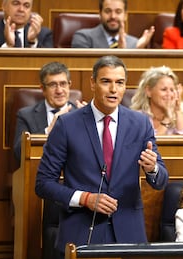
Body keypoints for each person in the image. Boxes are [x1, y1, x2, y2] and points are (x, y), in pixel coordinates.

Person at [35, 55, 169, 258]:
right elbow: (43, 183)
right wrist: (85, 198)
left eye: (120, 83)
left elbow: (161, 181)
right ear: (93, 83)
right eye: (106, 81)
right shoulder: (67, 125)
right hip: (81, 233)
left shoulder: (140, 124)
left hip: (128, 235)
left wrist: (153, 168)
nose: (114, 90)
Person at [13, 61, 86, 164]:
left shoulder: (81, 114)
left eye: (63, 84)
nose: (59, 90)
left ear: (69, 85)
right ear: (43, 89)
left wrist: (91, 122)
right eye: (53, 85)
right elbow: (18, 153)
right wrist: (48, 131)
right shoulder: (26, 115)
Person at [0, 0, 53, 76]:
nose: (21, 9)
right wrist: (8, 46)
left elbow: (50, 69)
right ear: (4, 6)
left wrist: (32, 43)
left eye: (26, 6)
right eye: (16, 3)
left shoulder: (44, 34)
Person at [130, 66, 183, 135]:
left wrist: (177, 111)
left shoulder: (182, 116)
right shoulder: (137, 118)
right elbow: (151, 143)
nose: (169, 94)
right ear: (148, 91)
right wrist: (168, 118)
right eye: (164, 89)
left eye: (172, 90)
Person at [71, 0, 154, 49]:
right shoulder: (83, 37)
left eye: (118, 12)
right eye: (107, 11)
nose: (113, 16)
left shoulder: (134, 43)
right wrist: (121, 52)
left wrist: (135, 50)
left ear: (125, 15)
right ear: (100, 14)